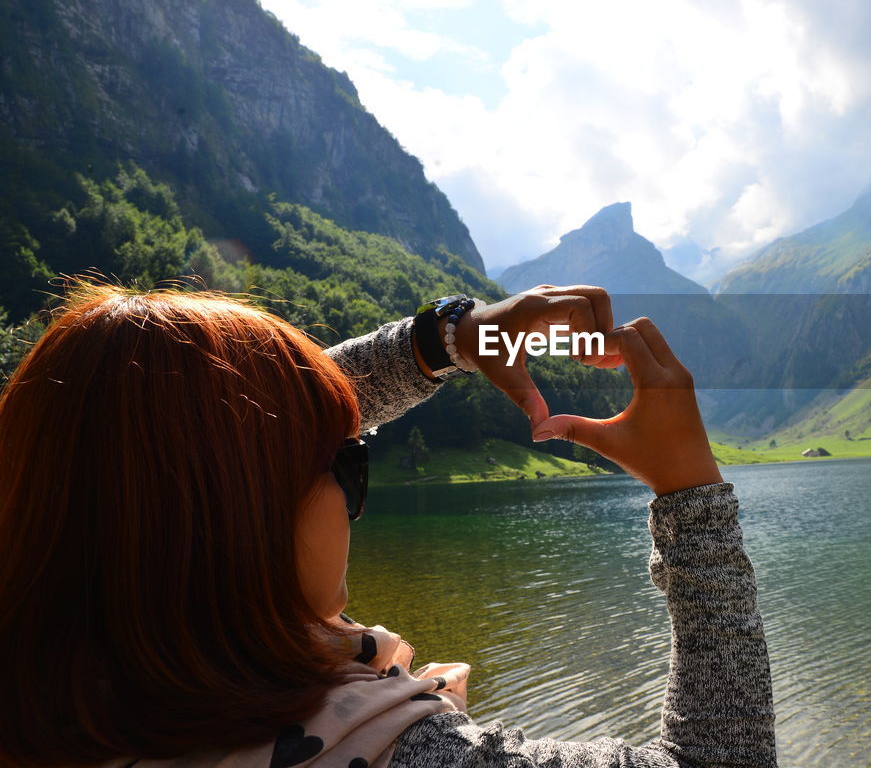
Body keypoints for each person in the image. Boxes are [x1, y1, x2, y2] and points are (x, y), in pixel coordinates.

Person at [0, 279, 775, 768]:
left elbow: (228, 434)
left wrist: (445, 340)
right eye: (348, 464)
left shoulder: (46, 690)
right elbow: (718, 755)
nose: (350, 495)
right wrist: (690, 495)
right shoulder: (395, 751)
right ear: (236, 514)